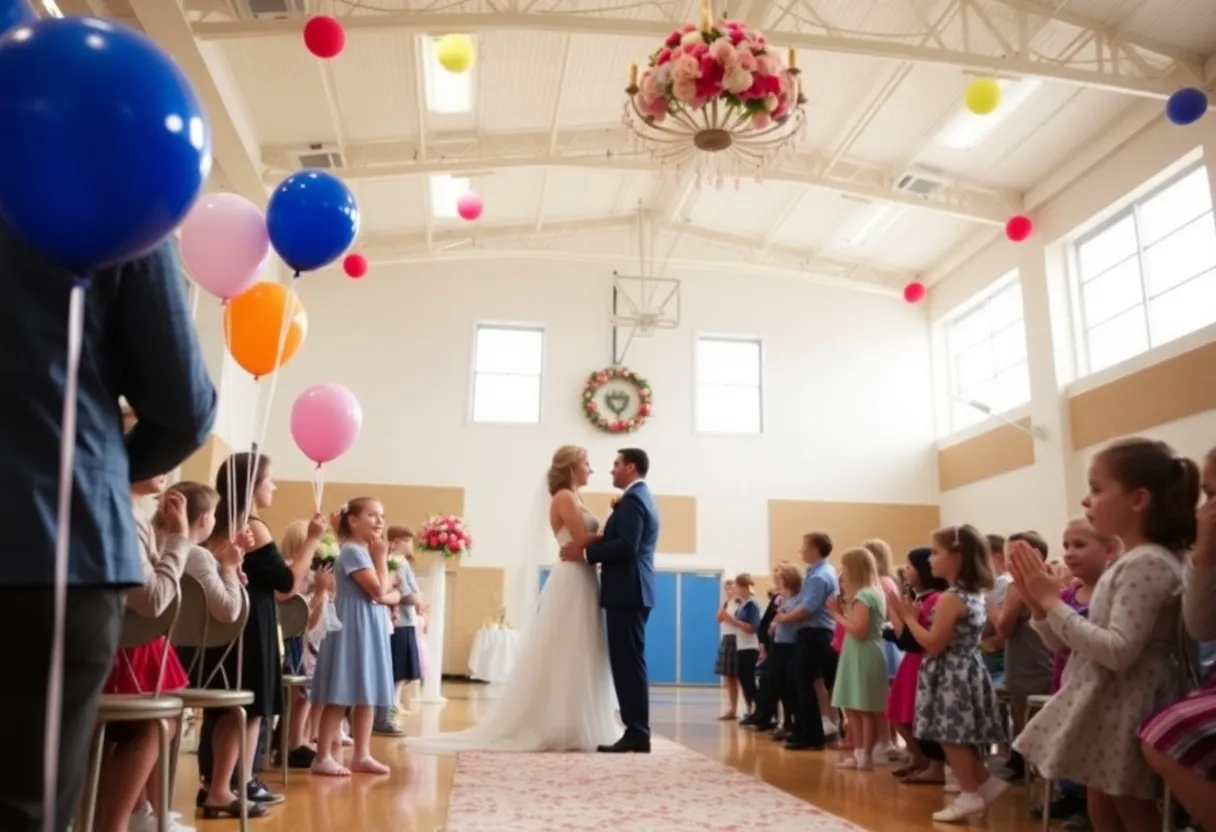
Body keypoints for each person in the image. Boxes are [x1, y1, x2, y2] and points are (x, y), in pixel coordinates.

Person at [0, 227, 216, 832]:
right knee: (26, 808)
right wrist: (95, 472)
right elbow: (183, 409)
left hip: (57, 546)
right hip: (53, 540)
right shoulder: (111, 169)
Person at [407, 445, 625, 754]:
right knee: (569, 646)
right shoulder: (564, 496)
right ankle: (557, 723)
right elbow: (582, 540)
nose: (592, 469)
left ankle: (576, 720)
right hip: (573, 578)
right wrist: (616, 524)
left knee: (583, 647)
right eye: (587, 464)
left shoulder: (578, 498)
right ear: (572, 467)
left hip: (585, 576)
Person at [560, 448, 659, 753]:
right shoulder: (638, 497)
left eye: (615, 464)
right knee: (628, 662)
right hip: (630, 590)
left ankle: (637, 732)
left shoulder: (634, 499)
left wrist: (586, 553)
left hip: (628, 591)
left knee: (628, 664)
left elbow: (627, 545)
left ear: (630, 467)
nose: (611, 470)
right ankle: (636, 730)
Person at [772, 531, 839, 751]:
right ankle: (801, 730)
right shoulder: (816, 573)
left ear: (814, 549)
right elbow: (802, 603)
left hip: (815, 634)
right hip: (810, 634)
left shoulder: (820, 576)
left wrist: (784, 617)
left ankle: (812, 736)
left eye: (803, 546)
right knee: (794, 681)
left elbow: (807, 609)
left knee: (803, 684)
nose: (800, 550)